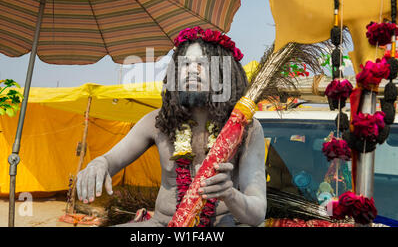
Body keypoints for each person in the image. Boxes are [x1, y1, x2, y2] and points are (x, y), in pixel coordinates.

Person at [77, 27, 267, 227]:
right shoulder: (156, 122)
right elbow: (110, 160)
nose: (192, 70)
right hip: (162, 225)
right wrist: (99, 164)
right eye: (185, 64)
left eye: (202, 63)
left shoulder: (246, 129)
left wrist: (229, 194)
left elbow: (256, 214)